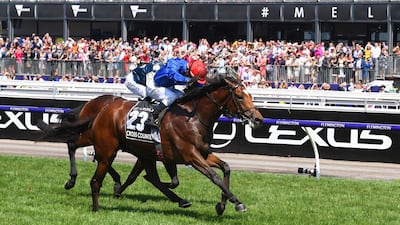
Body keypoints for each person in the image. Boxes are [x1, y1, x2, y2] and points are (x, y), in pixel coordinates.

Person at [147, 58, 207, 125]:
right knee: (172, 97)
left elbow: (199, 84)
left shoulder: (190, 71)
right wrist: (188, 80)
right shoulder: (175, 63)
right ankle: (152, 116)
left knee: (182, 97)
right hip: (154, 85)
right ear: (188, 70)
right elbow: (172, 73)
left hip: (167, 87)